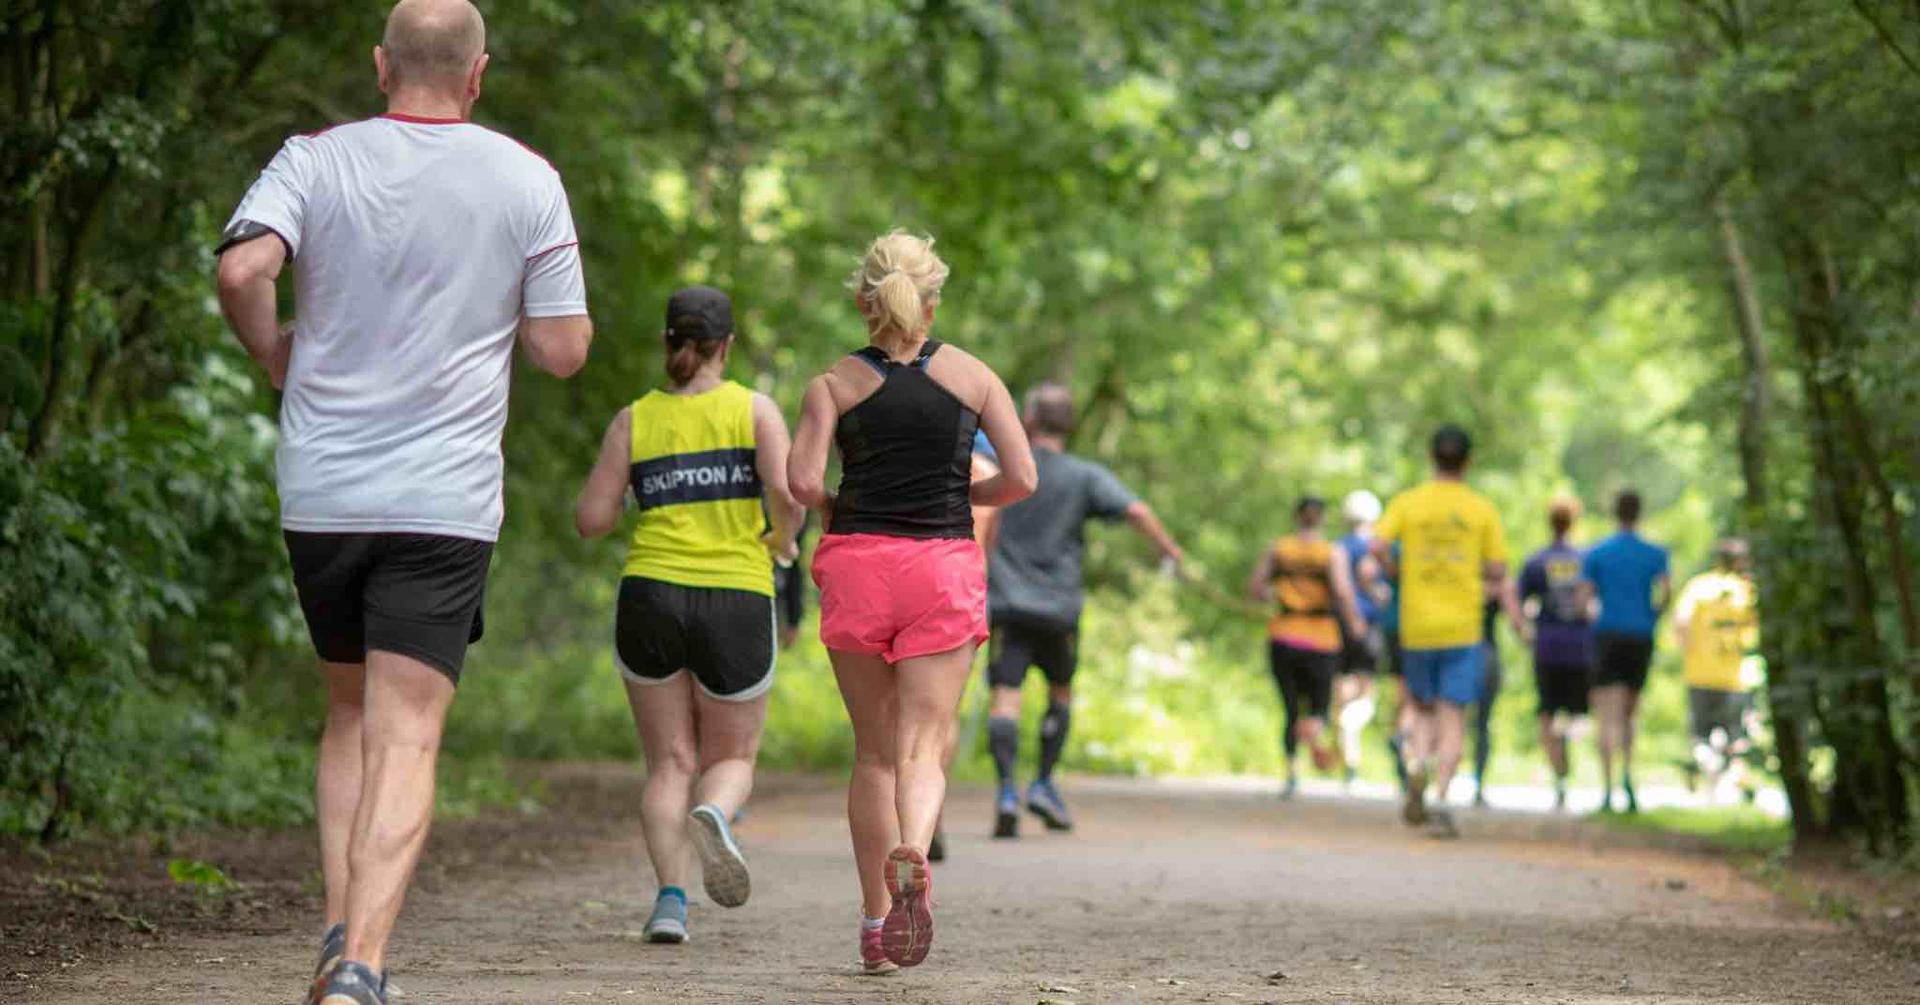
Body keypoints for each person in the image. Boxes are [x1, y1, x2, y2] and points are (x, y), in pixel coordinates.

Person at [214, 3, 591, 1001]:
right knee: (407, 731)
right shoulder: (527, 181)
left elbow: (243, 266)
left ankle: (341, 922)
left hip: (325, 489)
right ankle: (363, 967)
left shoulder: (311, 160)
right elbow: (562, 351)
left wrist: (272, 353)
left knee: (347, 715)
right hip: (442, 497)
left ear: (383, 66)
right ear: (478, 75)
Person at [788, 231, 1036, 973]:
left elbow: (802, 484)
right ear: (932, 299)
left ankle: (873, 922)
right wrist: (969, 491)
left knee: (873, 752)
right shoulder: (975, 376)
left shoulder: (833, 383)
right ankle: (915, 846)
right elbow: (1022, 477)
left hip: (861, 566)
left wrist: (835, 502)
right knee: (922, 746)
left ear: (863, 301)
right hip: (942, 567)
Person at [573, 287, 802, 944]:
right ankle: (716, 811)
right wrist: (783, 538)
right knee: (731, 753)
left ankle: (671, 900)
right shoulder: (754, 410)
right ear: (725, 346)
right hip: (735, 593)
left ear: (669, 344)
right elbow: (787, 492)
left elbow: (591, 519)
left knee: (669, 760)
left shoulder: (634, 419)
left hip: (650, 595)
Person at [984, 383, 1183, 836]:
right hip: (1059, 608)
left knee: (1005, 697)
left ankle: (1007, 792)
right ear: (1070, 425)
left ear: (1028, 420)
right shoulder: (1085, 476)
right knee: (1060, 692)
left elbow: (983, 524)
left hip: (1009, 604)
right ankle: (1043, 783)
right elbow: (1136, 510)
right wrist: (1169, 550)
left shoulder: (1006, 471)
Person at [1371, 426, 1517, 839]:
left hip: (1416, 622)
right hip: (1462, 625)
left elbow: (1377, 547)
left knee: (1420, 707)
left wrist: (1399, 573)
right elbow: (1497, 569)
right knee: (1454, 713)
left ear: (1431, 456)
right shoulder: (1480, 509)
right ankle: (1442, 796)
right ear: (1467, 461)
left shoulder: (1409, 503)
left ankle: (1417, 763)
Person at [1249, 497, 1366, 799]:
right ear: (1322, 519)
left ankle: (1291, 772)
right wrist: (1355, 624)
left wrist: (1275, 594)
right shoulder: (1330, 552)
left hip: (1284, 634)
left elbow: (1257, 588)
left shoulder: (1279, 549)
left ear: (1297, 517)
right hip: (1321, 638)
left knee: (1290, 708)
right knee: (1320, 708)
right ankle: (1316, 740)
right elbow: (1342, 590)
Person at [1580, 489, 1671, 814]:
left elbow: (1584, 597)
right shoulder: (1654, 553)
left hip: (1607, 635)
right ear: (1639, 512)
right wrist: (1653, 615)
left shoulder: (1598, 553)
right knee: (1630, 712)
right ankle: (1628, 779)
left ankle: (1606, 788)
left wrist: (1593, 616)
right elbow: (1665, 591)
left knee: (1606, 713)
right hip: (1639, 636)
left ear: (1614, 513)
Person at [1515, 496, 1593, 812]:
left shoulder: (1536, 562)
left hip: (1547, 646)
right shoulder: (1587, 559)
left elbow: (1519, 605)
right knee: (1579, 715)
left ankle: (1559, 773)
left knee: (1547, 712)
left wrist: (1525, 632)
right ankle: (1565, 759)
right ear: (1574, 521)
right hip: (1581, 647)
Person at [1674, 539, 1761, 803]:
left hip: (1699, 673)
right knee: (1737, 735)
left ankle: (1709, 766)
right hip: (1737, 676)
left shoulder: (1699, 586)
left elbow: (1681, 621)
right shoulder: (1747, 590)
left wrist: (1688, 649)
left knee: (1700, 734)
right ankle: (1730, 786)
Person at [1333, 491, 1387, 787]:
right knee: (1366, 692)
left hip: (1341, 625)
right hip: (1367, 625)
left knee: (1344, 690)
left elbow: (1340, 585)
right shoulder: (1374, 546)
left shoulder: (1340, 546)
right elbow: (1365, 580)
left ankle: (1350, 762)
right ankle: (1350, 728)